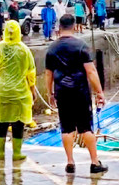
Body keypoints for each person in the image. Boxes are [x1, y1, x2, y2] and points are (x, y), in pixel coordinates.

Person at [45, 14, 107, 174]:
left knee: (66, 128)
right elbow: (91, 71)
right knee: (86, 128)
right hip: (80, 92)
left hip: (62, 92)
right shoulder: (81, 45)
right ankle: (94, 162)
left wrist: (50, 93)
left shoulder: (52, 48)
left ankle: (70, 162)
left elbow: (48, 74)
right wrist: (99, 92)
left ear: (60, 27)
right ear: (73, 26)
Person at [0, 20, 36, 161]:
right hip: (20, 92)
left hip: (2, 90)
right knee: (18, 122)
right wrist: (32, 90)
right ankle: (16, 153)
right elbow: (31, 73)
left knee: (2, 121)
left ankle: (1, 152)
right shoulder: (24, 50)